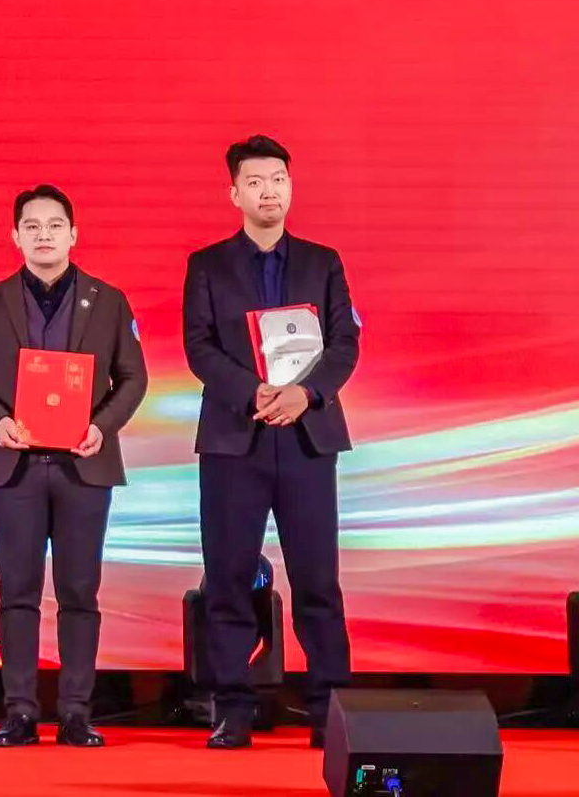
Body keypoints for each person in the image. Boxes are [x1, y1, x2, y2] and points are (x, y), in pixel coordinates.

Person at [0, 185, 148, 748]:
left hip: (83, 465)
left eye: (54, 225)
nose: (44, 235)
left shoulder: (108, 300)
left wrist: (101, 426)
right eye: (32, 226)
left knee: (80, 592)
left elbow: (133, 377)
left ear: (73, 234)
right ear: (15, 235)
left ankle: (76, 713)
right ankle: (18, 712)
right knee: (17, 591)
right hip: (13, 466)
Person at [185, 136, 360, 749]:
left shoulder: (323, 262)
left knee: (318, 579)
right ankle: (233, 707)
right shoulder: (207, 265)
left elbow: (345, 344)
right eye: (255, 182)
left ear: (291, 187)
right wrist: (254, 391)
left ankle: (330, 710)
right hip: (236, 438)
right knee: (228, 578)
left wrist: (305, 395)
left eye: (278, 179)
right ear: (234, 193)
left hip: (308, 437)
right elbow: (199, 347)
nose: (269, 191)